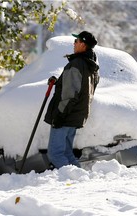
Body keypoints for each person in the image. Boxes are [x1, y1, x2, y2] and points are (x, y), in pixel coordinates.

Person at [44, 31, 100, 169]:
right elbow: (81, 89)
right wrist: (58, 82)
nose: (73, 44)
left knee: (55, 154)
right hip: (76, 114)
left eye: (76, 41)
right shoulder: (90, 66)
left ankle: (72, 180)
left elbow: (71, 94)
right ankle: (79, 177)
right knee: (67, 152)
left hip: (66, 114)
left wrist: (59, 115)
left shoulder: (76, 64)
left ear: (83, 44)